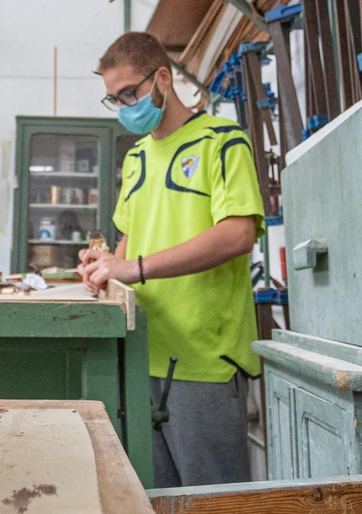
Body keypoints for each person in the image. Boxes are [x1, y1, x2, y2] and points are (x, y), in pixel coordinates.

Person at [78, 32, 265, 488]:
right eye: (114, 99)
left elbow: (238, 233)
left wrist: (134, 268)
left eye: (130, 93)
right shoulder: (138, 157)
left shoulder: (223, 141)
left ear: (163, 77)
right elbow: (125, 246)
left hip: (205, 360)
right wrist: (101, 267)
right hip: (144, 353)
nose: (124, 106)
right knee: (153, 506)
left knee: (215, 511)